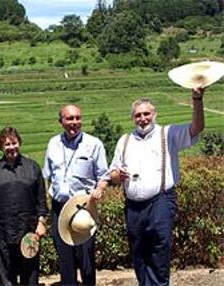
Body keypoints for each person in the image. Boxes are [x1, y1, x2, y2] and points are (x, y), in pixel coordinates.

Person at [109, 88, 205, 286]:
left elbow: (196, 128)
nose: (143, 118)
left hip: (160, 202)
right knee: (138, 253)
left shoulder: (167, 133)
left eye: (146, 114)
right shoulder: (124, 140)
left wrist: (197, 99)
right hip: (133, 206)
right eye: (138, 115)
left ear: (154, 115)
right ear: (133, 118)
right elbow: (113, 175)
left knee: (159, 252)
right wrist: (118, 176)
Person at [43, 104, 109, 286]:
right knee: (65, 259)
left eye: (77, 118)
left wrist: (100, 189)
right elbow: (47, 176)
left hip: (83, 209)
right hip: (59, 208)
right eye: (69, 118)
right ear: (61, 121)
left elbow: (104, 176)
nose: (74, 122)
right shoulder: (53, 143)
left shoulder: (93, 144)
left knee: (86, 259)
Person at [0, 127, 48, 286]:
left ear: (19, 143)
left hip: (29, 231)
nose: (11, 147)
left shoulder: (32, 167)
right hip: (3, 231)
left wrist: (41, 223)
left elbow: (41, 199)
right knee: (6, 275)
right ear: (1, 146)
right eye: (7, 144)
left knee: (30, 274)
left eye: (14, 143)